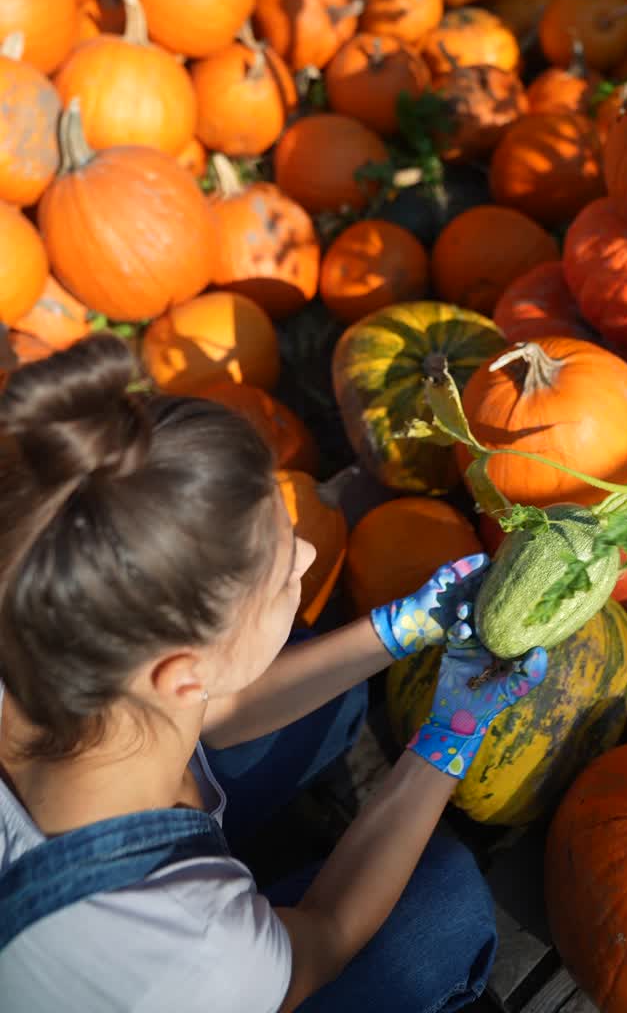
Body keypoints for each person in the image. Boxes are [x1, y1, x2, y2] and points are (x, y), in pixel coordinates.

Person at [0, 334, 547, 1012]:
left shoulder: (43, 622)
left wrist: (398, 630)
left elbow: (214, 713)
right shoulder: (196, 955)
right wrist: (450, 738)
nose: (307, 552)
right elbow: (323, 940)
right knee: (444, 911)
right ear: (182, 673)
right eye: (279, 561)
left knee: (333, 695)